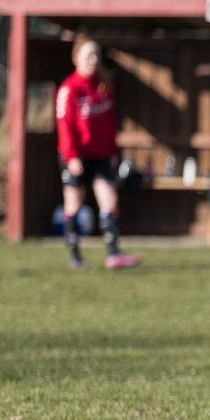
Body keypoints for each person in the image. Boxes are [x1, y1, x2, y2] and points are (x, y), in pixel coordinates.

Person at [56, 36, 139, 270]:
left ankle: (113, 255)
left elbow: (108, 124)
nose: (93, 60)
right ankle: (75, 256)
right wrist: (71, 156)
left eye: (96, 55)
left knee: (110, 200)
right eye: (88, 55)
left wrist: (112, 151)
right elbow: (64, 125)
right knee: (74, 204)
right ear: (76, 58)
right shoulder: (69, 89)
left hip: (101, 155)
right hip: (76, 156)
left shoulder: (104, 86)